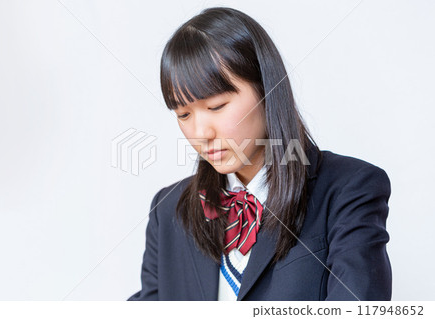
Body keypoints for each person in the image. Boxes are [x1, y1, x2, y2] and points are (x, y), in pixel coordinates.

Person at [127, 6, 391, 301]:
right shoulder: (168, 209)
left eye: (216, 106)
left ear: (267, 90)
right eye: (183, 114)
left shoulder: (348, 189)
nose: (201, 133)